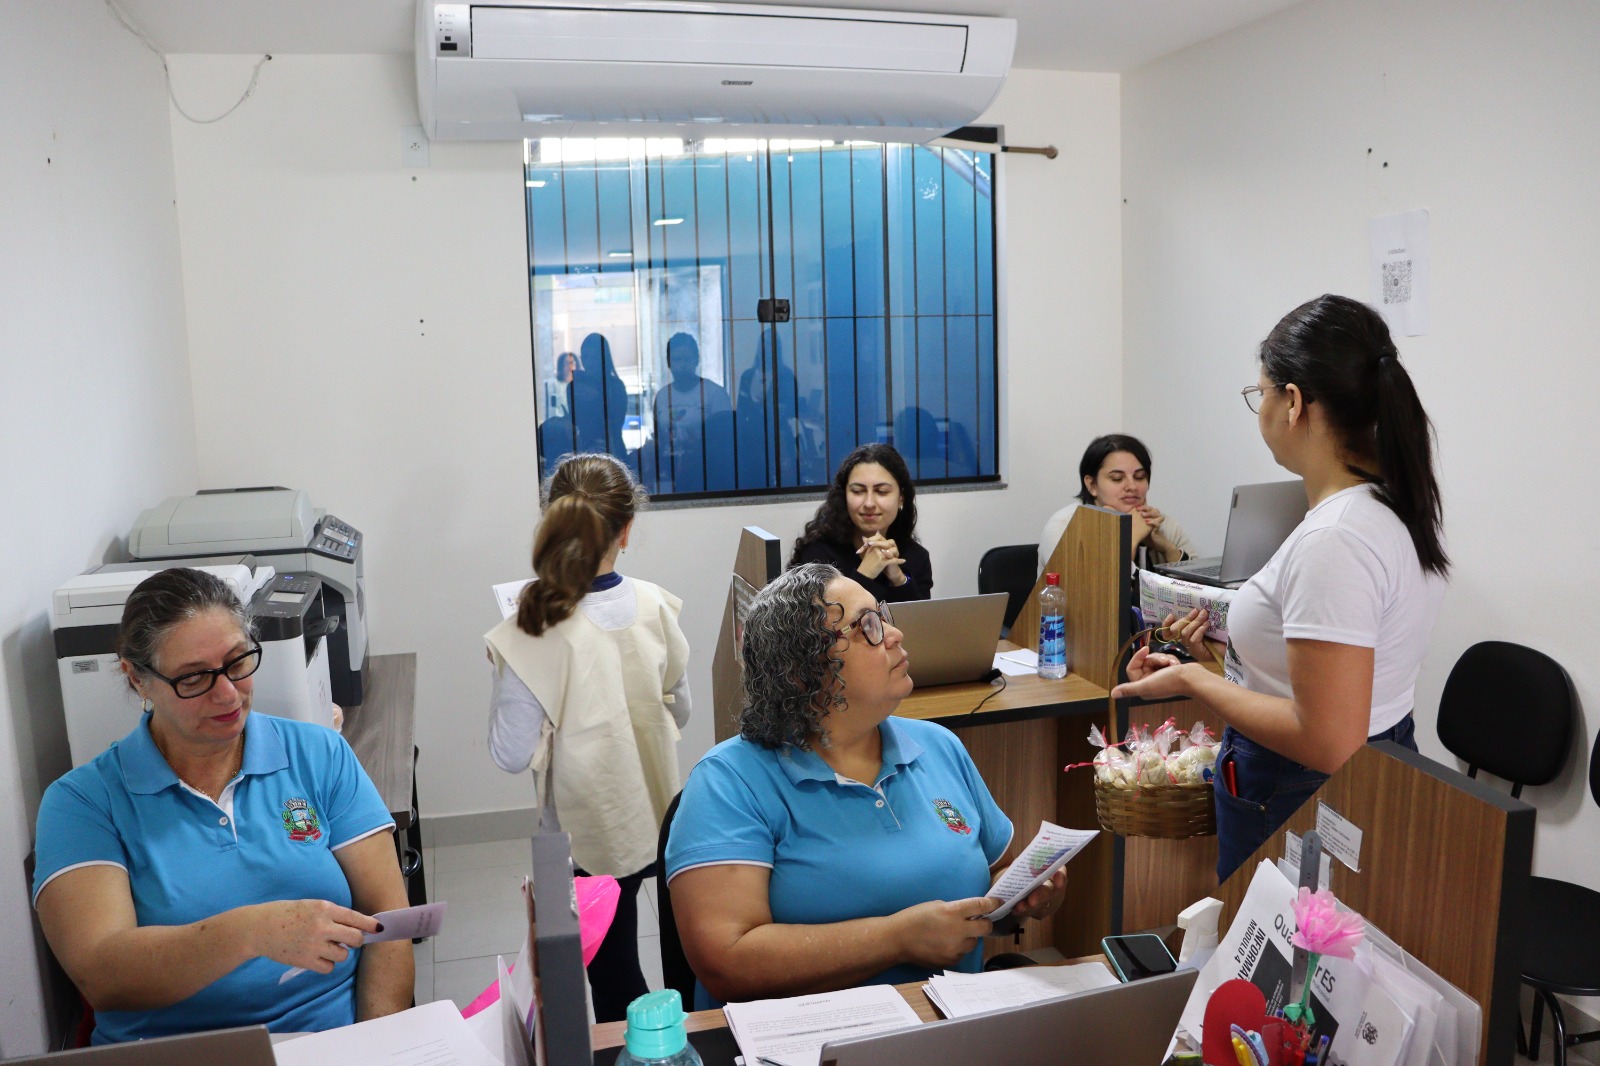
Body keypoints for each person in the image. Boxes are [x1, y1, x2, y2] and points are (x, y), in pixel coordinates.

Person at [1111, 295, 1449, 881]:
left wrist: (1192, 680)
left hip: (1295, 785)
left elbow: (1325, 738)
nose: (1259, 407)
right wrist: (1223, 661)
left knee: (1275, 963)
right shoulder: (1388, 505)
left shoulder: (1335, 539)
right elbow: (1325, 687)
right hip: (1375, 759)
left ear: (1293, 402)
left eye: (1260, 392)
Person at [32, 568, 412, 1044]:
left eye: (237, 662)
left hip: (326, 1043)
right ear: (138, 680)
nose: (228, 693)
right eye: (194, 678)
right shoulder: (83, 803)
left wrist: (377, 1046)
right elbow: (104, 975)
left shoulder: (319, 754)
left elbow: (388, 919)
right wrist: (253, 932)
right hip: (174, 1053)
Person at [664, 564, 1066, 1007]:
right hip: (803, 1043)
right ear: (801, 670)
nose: (894, 635)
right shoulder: (730, 781)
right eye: (868, 628)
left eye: (884, 616)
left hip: (945, 1028)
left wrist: (1022, 894)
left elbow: (991, 875)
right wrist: (897, 939)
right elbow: (727, 961)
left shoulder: (937, 745)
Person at [485, 452, 691, 1022]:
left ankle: (640, 1051)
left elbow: (510, 751)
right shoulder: (654, 604)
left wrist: (508, 672)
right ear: (627, 531)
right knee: (672, 949)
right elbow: (684, 707)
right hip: (658, 809)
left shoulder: (533, 626)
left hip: (586, 833)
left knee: (613, 968)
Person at [790, 443, 932, 602]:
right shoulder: (818, 554)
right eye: (858, 491)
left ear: (901, 498)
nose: (869, 503)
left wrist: (899, 578)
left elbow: (919, 624)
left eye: (882, 492)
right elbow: (819, 621)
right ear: (844, 495)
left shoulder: (917, 557)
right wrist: (865, 573)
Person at [1038, 434, 1193, 572]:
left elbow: (1204, 593)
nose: (1132, 486)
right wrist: (1130, 538)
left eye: (1139, 477)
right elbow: (1088, 596)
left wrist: (1167, 549)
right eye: (1117, 478)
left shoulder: (1160, 524)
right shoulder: (1064, 525)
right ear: (1092, 485)